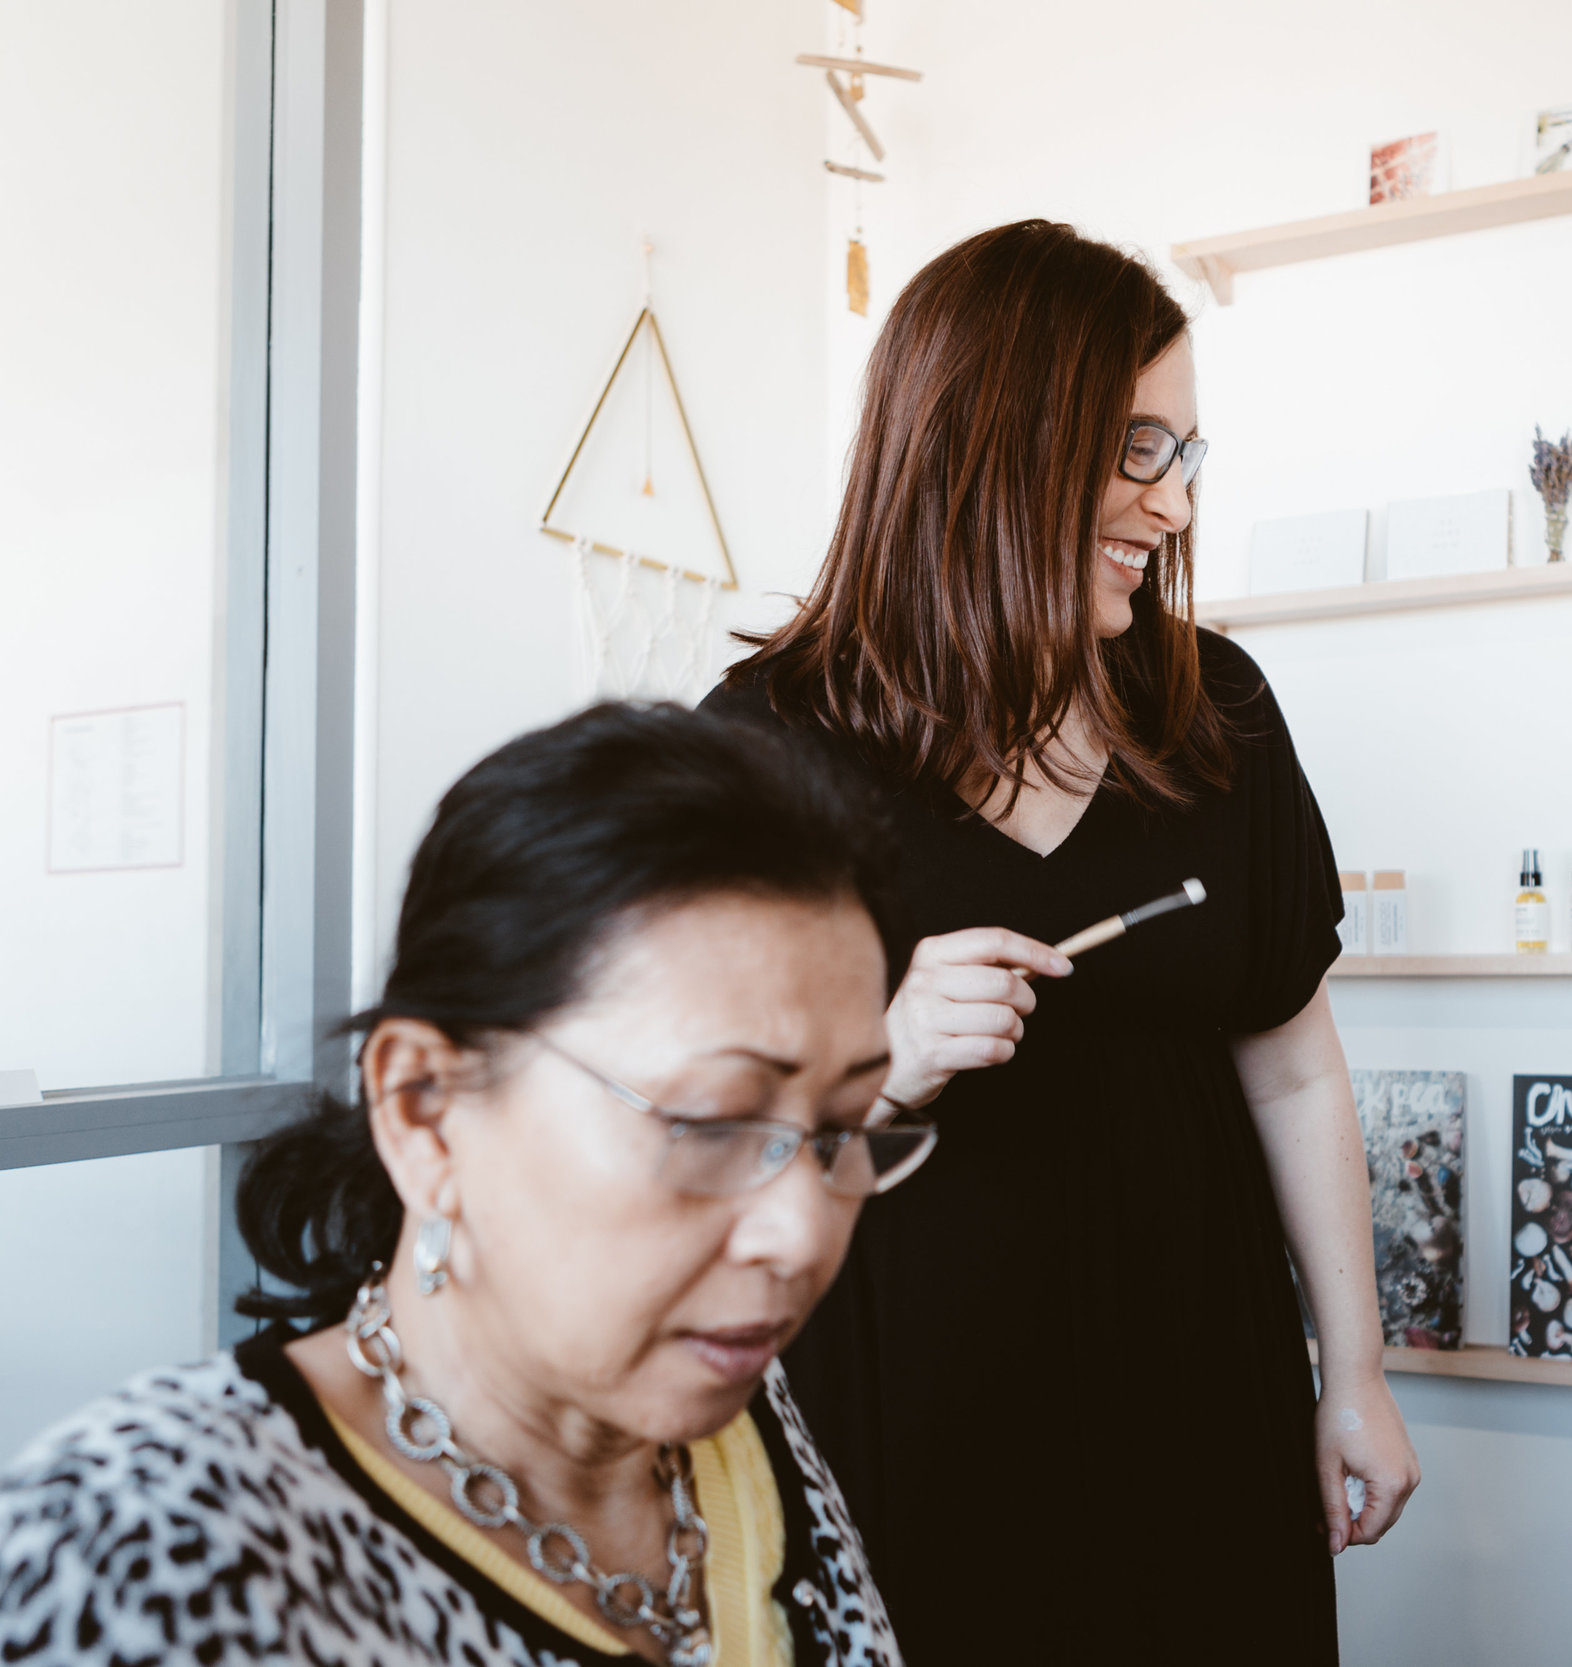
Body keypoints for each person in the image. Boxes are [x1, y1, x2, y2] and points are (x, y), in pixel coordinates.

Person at [704, 218, 1417, 1666]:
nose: (1171, 503)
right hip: (899, 1409)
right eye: (1136, 449)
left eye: (1188, 454)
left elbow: (1293, 1069)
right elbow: (698, 1144)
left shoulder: (1217, 710)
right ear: (994, 442)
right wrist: (885, 1063)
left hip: (1199, 1384)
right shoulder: (768, 740)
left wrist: (1353, 1370)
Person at [0, 702, 924, 1667]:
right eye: (713, 1123)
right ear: (426, 1111)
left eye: (838, 1129)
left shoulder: (732, 1399)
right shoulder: (137, 1553)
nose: (803, 1233)